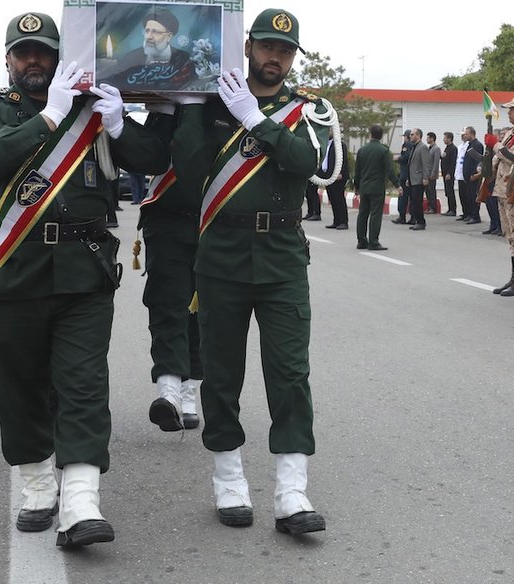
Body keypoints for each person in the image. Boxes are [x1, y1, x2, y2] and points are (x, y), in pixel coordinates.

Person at [0, 12, 169, 547]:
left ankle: (81, 501)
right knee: (18, 383)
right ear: (8, 60)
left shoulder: (91, 107)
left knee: (83, 383)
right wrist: (50, 116)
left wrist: (119, 124)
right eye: (23, 52)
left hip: (84, 267)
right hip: (14, 266)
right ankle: (37, 483)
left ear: (60, 57)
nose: (34, 60)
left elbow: (154, 160)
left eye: (44, 51)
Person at [183, 7, 329, 535]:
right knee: (222, 373)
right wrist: (192, 107)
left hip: (282, 255)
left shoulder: (307, 110)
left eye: (285, 51)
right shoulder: (212, 103)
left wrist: (256, 118)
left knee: (290, 374)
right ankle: (229, 479)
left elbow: (307, 163)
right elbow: (187, 167)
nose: (276, 58)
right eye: (267, 47)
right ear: (247, 48)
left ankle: (292, 491)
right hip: (221, 254)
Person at [139, 95, 207, 432]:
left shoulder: (224, 107)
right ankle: (168, 389)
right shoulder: (162, 108)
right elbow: (147, 157)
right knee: (167, 304)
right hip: (166, 220)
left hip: (213, 222)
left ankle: (190, 388)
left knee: (202, 312)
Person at [490, 95, 514, 297]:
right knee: (511, 236)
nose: (509, 113)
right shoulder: (510, 133)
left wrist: (496, 146)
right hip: (502, 189)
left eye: (512, 109)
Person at [102, 7, 196, 91]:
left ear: (169, 36)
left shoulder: (183, 60)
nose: (149, 37)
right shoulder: (130, 58)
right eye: (147, 31)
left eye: (155, 32)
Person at [354, 124, 399, 250]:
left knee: (362, 214)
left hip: (364, 187)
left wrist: (356, 187)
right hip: (377, 188)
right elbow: (389, 170)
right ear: (381, 136)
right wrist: (397, 185)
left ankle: (361, 241)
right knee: (375, 214)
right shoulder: (384, 151)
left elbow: (357, 171)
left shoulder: (362, 150)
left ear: (370, 134)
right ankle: (373, 242)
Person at [322, 133, 349, 229]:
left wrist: (340, 172)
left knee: (339, 199)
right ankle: (336, 220)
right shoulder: (325, 144)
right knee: (332, 198)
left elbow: (343, 160)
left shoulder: (339, 145)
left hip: (337, 176)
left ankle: (343, 221)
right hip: (328, 176)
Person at [407, 128, 429, 230]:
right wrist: (409, 178)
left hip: (419, 179)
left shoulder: (423, 147)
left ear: (418, 135)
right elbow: (412, 164)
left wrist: (425, 177)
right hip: (413, 179)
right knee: (413, 202)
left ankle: (421, 222)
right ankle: (417, 220)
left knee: (417, 201)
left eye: (412, 134)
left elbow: (426, 164)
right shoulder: (414, 147)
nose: (410, 136)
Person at [461, 126, 483, 224]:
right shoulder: (470, 144)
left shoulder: (477, 145)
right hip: (468, 176)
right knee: (469, 196)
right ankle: (470, 214)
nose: (465, 135)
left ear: (472, 134)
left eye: (466, 134)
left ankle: (475, 216)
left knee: (474, 196)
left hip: (473, 176)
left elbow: (477, 162)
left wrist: (475, 174)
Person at [392, 129, 413, 224]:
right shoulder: (413, 145)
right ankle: (412, 217)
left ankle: (402, 216)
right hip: (409, 174)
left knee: (402, 196)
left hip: (405, 174)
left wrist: (397, 158)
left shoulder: (407, 145)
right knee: (411, 197)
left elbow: (406, 157)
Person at [440, 131, 457, 216]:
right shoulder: (447, 148)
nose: (443, 139)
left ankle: (453, 210)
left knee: (450, 191)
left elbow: (453, 162)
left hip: (449, 174)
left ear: (449, 139)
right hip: (445, 173)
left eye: (445, 138)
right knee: (447, 191)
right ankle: (449, 208)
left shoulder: (453, 148)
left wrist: (449, 173)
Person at [425, 131, 440, 213]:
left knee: (432, 190)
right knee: (427, 191)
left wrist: (433, 174)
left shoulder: (436, 149)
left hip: (432, 174)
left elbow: (436, 162)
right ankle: (429, 206)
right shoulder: (428, 148)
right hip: (427, 173)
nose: (427, 139)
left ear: (432, 138)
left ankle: (433, 207)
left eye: (428, 138)